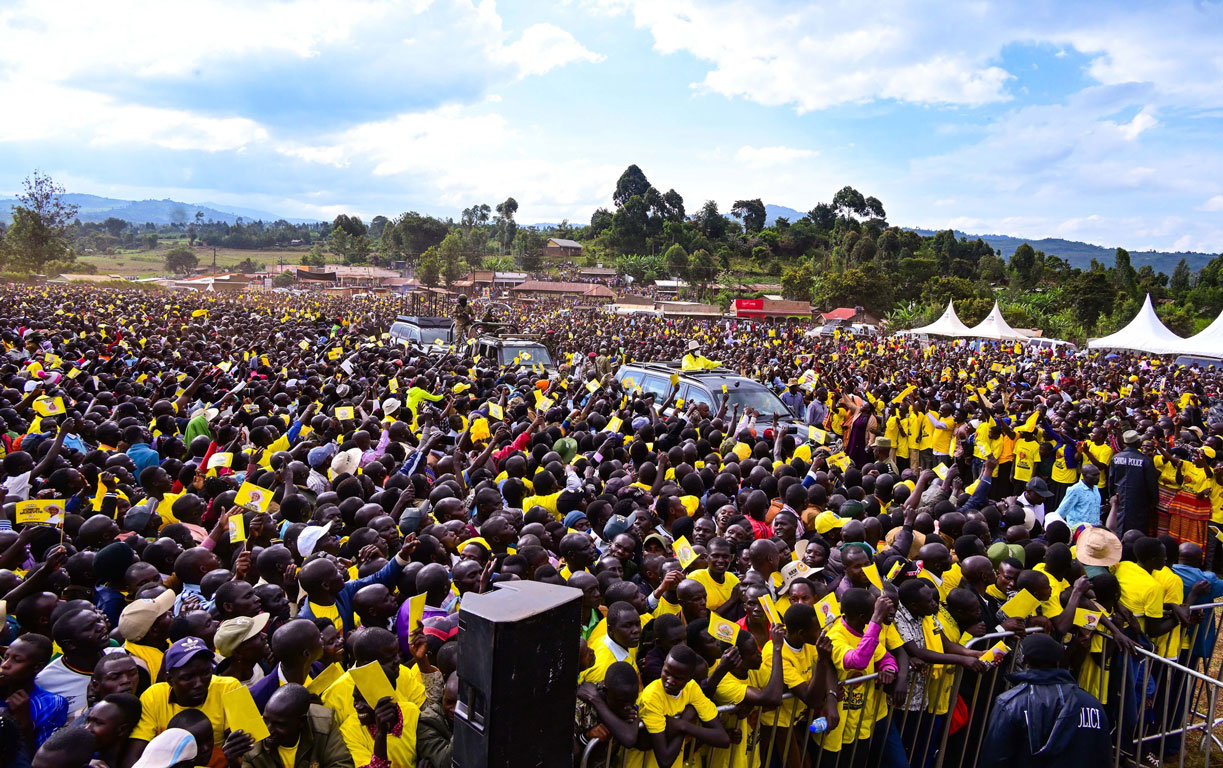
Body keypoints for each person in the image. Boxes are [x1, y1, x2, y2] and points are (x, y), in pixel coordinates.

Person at [980, 633, 1111, 767]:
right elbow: (1104, 756)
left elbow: (994, 758)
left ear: (1024, 660)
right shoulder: (1091, 703)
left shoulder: (1010, 703)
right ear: (1058, 661)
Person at [127, 637, 244, 768]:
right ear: (170, 680)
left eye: (206, 673)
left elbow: (248, 747)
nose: (199, 684)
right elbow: (136, 757)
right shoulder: (153, 697)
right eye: (188, 678)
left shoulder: (231, 687)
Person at [230, 684, 353, 768]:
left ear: (301, 722)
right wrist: (235, 764)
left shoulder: (323, 722)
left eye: (279, 725)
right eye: (265, 720)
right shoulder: (251, 741)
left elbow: (342, 764)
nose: (268, 730)